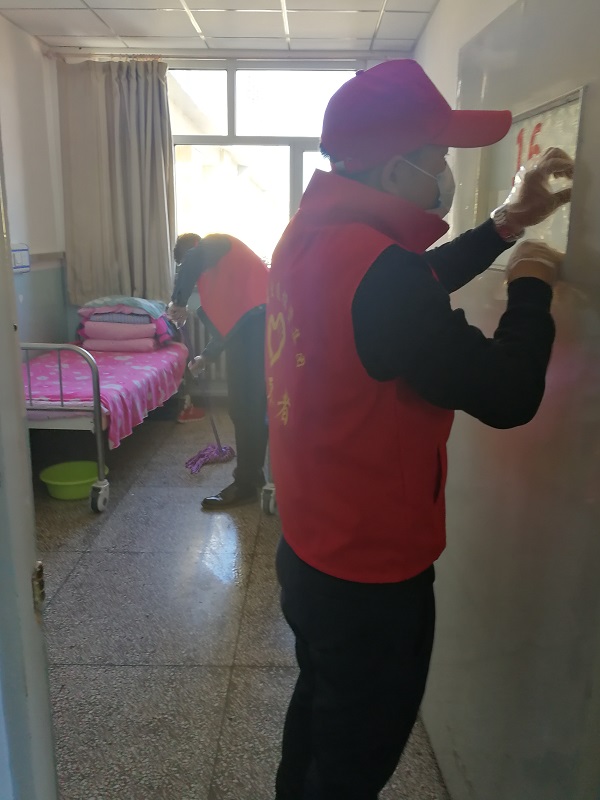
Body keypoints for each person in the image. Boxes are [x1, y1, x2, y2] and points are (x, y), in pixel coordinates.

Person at [266, 59, 573, 800]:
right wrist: (531, 282)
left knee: (320, 714)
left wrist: (505, 225)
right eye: (438, 157)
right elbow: (508, 394)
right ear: (396, 169)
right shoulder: (381, 273)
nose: (444, 172)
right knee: (353, 761)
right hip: (370, 576)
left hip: (309, 550)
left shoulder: (310, 234)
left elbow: (406, 291)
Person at [169, 232, 268, 510]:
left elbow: (193, 259)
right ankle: (253, 475)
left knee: (245, 407)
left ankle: (246, 484)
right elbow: (229, 325)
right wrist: (205, 357)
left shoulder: (212, 244)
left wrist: (178, 302)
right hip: (254, 325)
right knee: (250, 407)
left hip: (257, 324)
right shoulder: (222, 271)